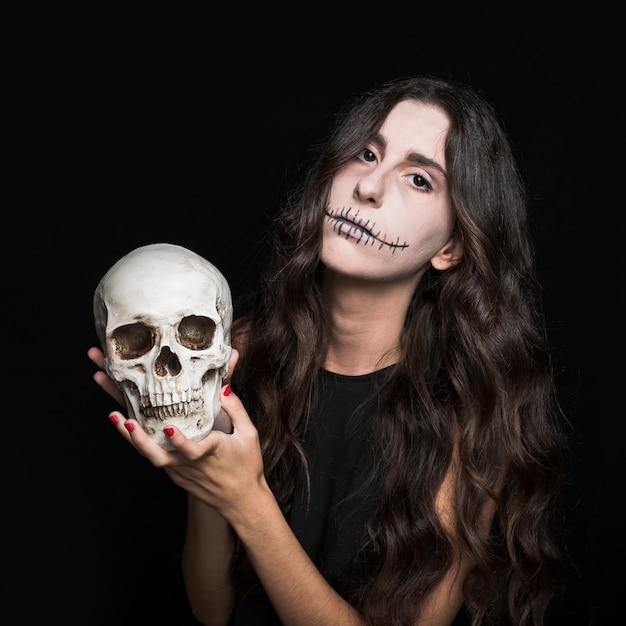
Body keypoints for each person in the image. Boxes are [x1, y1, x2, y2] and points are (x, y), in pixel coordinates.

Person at [88, 75, 566, 625]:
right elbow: (213, 608)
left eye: (417, 179)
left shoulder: (470, 419)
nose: (368, 187)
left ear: (453, 247)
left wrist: (247, 499)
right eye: (366, 153)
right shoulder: (237, 349)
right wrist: (202, 465)